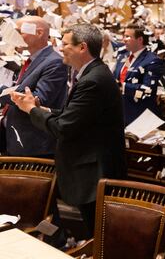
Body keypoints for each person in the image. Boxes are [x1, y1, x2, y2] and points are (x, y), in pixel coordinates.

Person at [11, 23, 126, 238]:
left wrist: (32, 110)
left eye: (64, 44)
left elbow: (64, 127)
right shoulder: (92, 73)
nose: (60, 48)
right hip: (91, 169)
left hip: (94, 173)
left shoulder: (93, 80)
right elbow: (74, 115)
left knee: (99, 235)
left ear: (82, 47)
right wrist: (42, 108)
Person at [0, 16, 68, 157]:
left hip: (33, 143)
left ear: (39, 33)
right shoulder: (32, 59)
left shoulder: (54, 62)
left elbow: (37, 99)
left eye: (19, 31)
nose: (13, 36)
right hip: (15, 137)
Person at [114, 23, 163, 125]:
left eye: (128, 36)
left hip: (140, 116)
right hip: (120, 113)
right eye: (124, 36)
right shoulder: (122, 57)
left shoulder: (152, 60)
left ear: (140, 40)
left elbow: (148, 90)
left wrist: (123, 87)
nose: (124, 39)